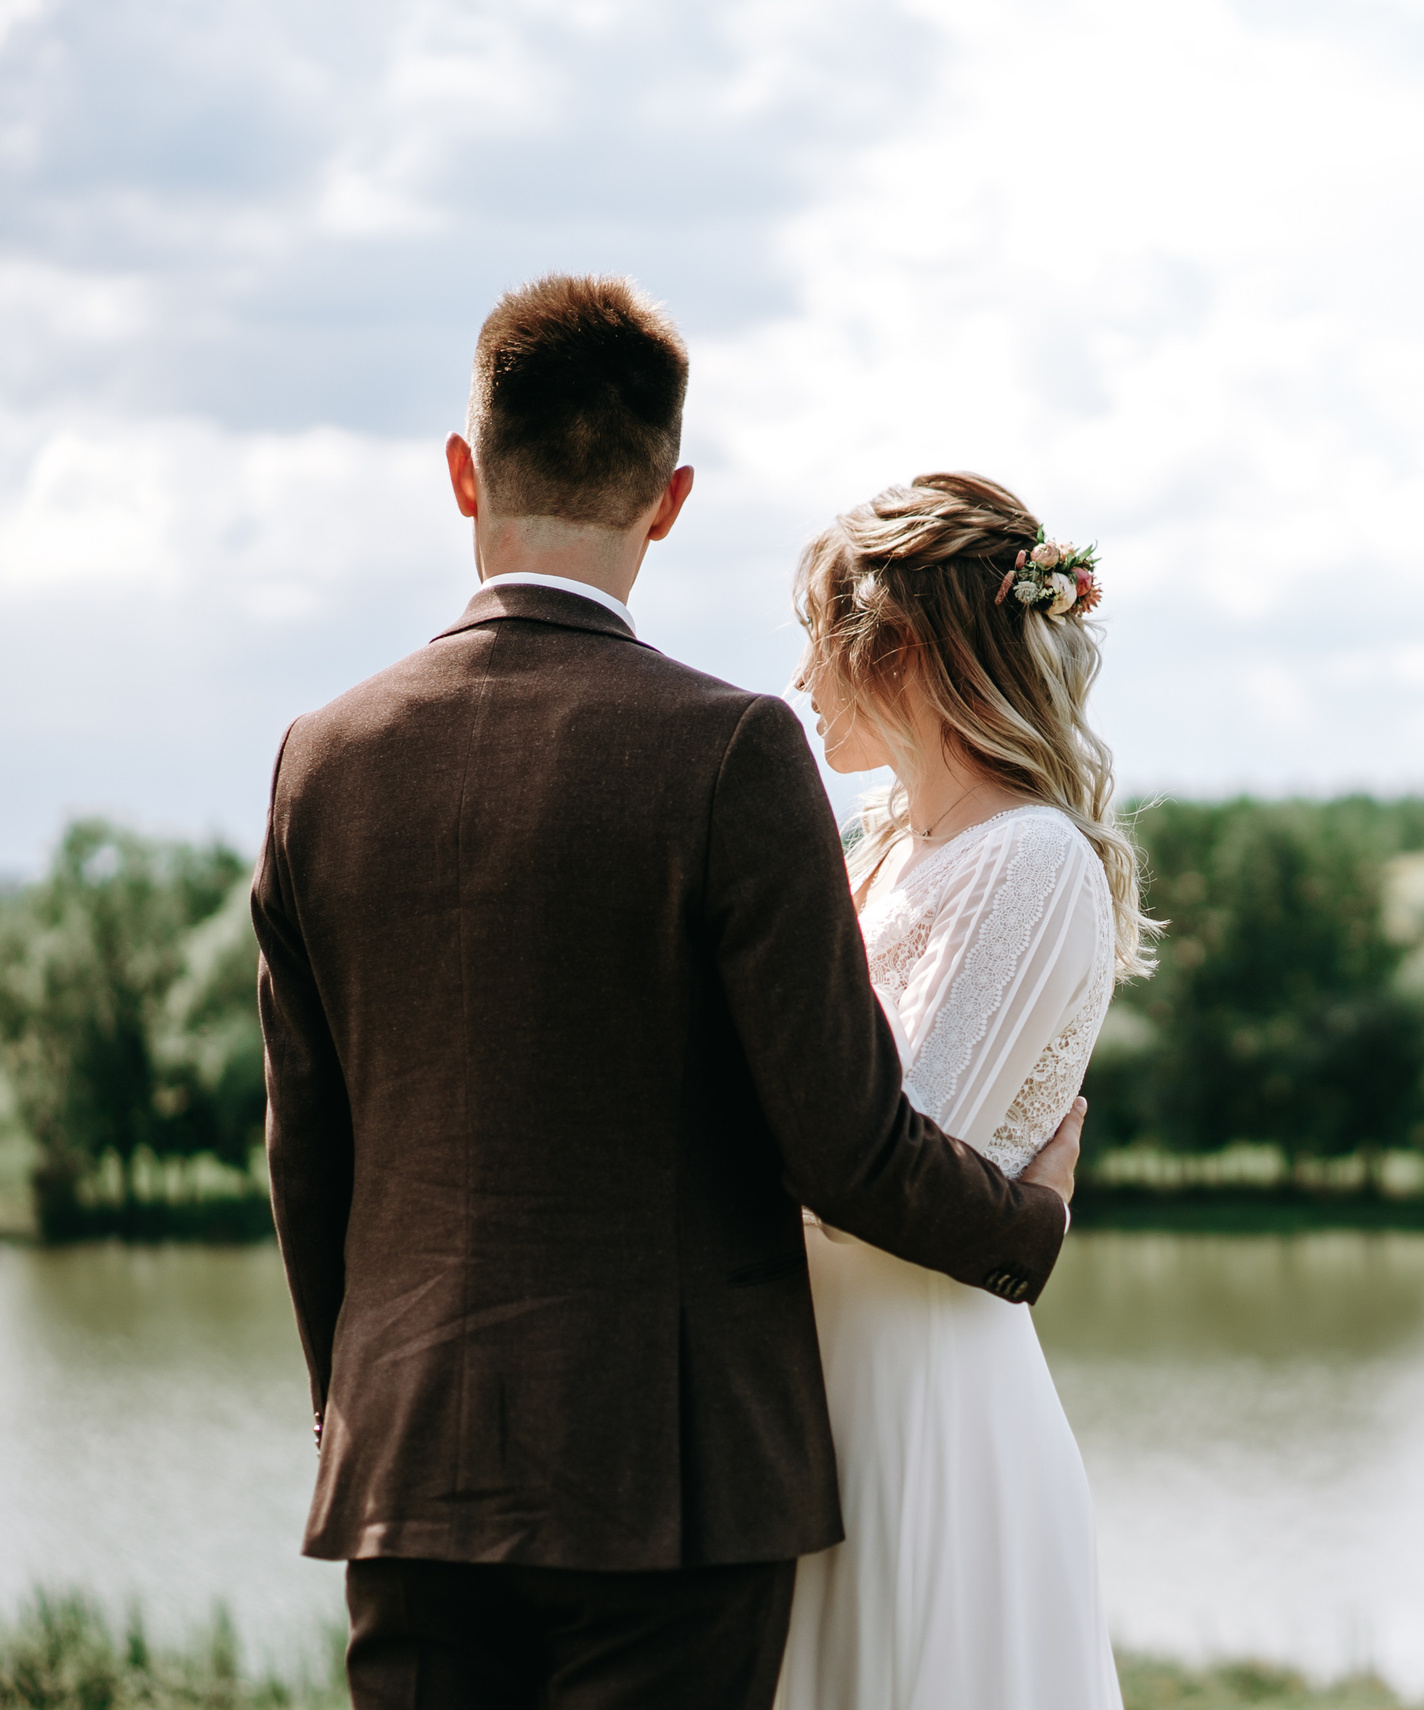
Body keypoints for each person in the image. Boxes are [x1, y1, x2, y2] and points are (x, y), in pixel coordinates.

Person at [251, 276, 1087, 1710]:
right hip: (678, 1488)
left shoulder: (320, 758)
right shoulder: (730, 750)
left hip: (410, 1480)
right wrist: (1029, 1219)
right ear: (671, 497)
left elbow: (307, 1148)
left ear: (464, 473)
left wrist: (364, 1404)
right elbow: (841, 1137)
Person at [774, 474, 1152, 1710]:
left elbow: (881, 1161)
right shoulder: (886, 851)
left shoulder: (1031, 858)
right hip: (822, 1376)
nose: (801, 678)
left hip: (917, 1388)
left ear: (903, 651)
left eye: (818, 641)